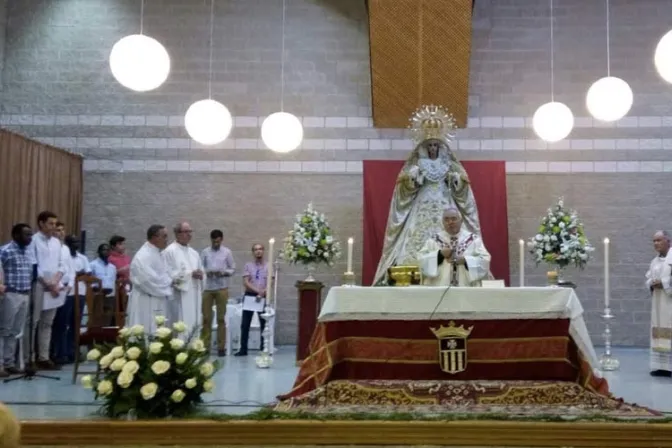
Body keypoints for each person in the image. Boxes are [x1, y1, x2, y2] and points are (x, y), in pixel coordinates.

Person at [373, 105, 483, 285]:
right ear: (424, 146)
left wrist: (456, 179)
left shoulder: (449, 163)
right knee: (415, 235)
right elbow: (404, 188)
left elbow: (463, 187)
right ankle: (412, 266)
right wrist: (413, 178)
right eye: (429, 145)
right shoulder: (417, 163)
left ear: (441, 146)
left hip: (444, 202)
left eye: (435, 145)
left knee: (449, 225)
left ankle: (451, 264)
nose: (432, 148)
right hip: (422, 203)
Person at [28, 211, 67, 370]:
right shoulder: (33, 241)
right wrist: (48, 284)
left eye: (55, 224)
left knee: (47, 323)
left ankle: (44, 357)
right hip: (39, 285)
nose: (54, 227)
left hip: (54, 286)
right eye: (50, 224)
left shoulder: (57, 243)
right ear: (41, 223)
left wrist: (56, 282)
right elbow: (34, 265)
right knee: (33, 322)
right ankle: (29, 357)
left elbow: (61, 264)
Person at [418, 207, 491, 287]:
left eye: (454, 219)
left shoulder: (473, 240)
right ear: (442, 222)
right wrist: (440, 254)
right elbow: (421, 260)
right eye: (446, 219)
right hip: (440, 288)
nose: (450, 222)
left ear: (461, 221)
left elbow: (485, 260)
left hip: (466, 287)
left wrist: (465, 260)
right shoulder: (433, 241)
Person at [51, 234, 91, 364]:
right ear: (67, 243)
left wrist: (79, 274)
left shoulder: (82, 258)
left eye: (77, 241)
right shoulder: (63, 256)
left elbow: (87, 274)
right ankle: (61, 352)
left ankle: (73, 352)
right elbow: (68, 273)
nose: (76, 244)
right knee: (63, 323)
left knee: (76, 323)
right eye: (73, 242)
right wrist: (79, 274)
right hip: (66, 293)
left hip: (80, 292)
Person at [0, 224, 33, 377]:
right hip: (10, 294)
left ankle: (9, 363)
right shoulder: (5, 251)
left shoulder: (28, 252)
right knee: (4, 330)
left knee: (15, 331)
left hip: (25, 294)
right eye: (26, 234)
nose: (29, 238)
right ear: (15, 235)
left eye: (30, 234)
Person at [126, 225, 172, 333]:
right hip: (145, 300)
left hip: (158, 299)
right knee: (145, 330)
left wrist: (168, 281)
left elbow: (166, 273)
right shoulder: (143, 256)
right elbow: (149, 280)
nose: (167, 240)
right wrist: (169, 283)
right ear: (155, 237)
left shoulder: (158, 253)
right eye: (164, 236)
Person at [200, 229, 235, 356]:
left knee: (221, 319)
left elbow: (232, 269)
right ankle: (204, 346)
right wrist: (206, 272)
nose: (216, 243)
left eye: (218, 241)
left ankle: (221, 347)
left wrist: (223, 272)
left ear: (221, 239)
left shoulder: (227, 252)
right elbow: (200, 268)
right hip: (208, 288)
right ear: (211, 240)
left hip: (221, 288)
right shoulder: (205, 252)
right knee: (206, 318)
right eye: (214, 241)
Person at [164, 222, 204, 330]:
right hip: (179, 296)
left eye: (190, 231)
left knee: (194, 324)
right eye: (186, 232)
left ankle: (194, 346)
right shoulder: (170, 251)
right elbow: (167, 274)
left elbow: (201, 271)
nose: (189, 234)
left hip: (194, 294)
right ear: (177, 234)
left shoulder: (194, 253)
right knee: (180, 324)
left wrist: (201, 274)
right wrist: (190, 274)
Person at [645, 230, 672, 377]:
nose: (656, 243)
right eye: (654, 241)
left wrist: (664, 283)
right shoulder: (654, 262)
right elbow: (648, 278)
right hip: (658, 302)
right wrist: (652, 283)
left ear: (668, 241)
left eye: (659, 240)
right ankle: (661, 366)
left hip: (670, 301)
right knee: (658, 331)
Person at [235, 243, 269, 357]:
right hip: (250, 295)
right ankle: (243, 349)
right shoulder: (248, 265)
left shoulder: (268, 266)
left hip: (263, 296)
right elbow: (246, 282)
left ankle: (263, 347)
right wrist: (257, 291)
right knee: (245, 324)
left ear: (263, 251)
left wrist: (263, 291)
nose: (258, 251)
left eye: (260, 249)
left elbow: (270, 282)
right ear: (253, 252)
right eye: (255, 249)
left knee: (263, 323)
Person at [90, 243, 118, 325]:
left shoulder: (112, 267)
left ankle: (105, 337)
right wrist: (95, 288)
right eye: (104, 250)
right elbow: (88, 282)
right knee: (96, 319)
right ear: (98, 251)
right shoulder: (92, 265)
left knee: (107, 319)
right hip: (97, 296)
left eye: (108, 250)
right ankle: (96, 337)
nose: (106, 252)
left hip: (110, 297)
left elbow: (113, 281)